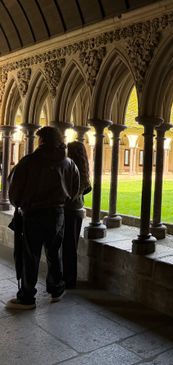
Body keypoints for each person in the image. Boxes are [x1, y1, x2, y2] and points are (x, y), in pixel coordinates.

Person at [6, 127, 80, 309]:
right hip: (57, 213)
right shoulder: (69, 163)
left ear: (42, 141)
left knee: (30, 255)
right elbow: (75, 188)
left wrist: (20, 204)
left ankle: (27, 297)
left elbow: (14, 189)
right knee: (54, 252)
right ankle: (56, 289)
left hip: (33, 214)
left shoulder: (28, 162)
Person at [63, 141, 91, 289]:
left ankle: (68, 280)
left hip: (69, 210)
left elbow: (67, 191)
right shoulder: (84, 167)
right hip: (78, 210)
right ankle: (70, 279)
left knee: (67, 246)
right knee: (71, 246)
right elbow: (88, 188)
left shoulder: (70, 166)